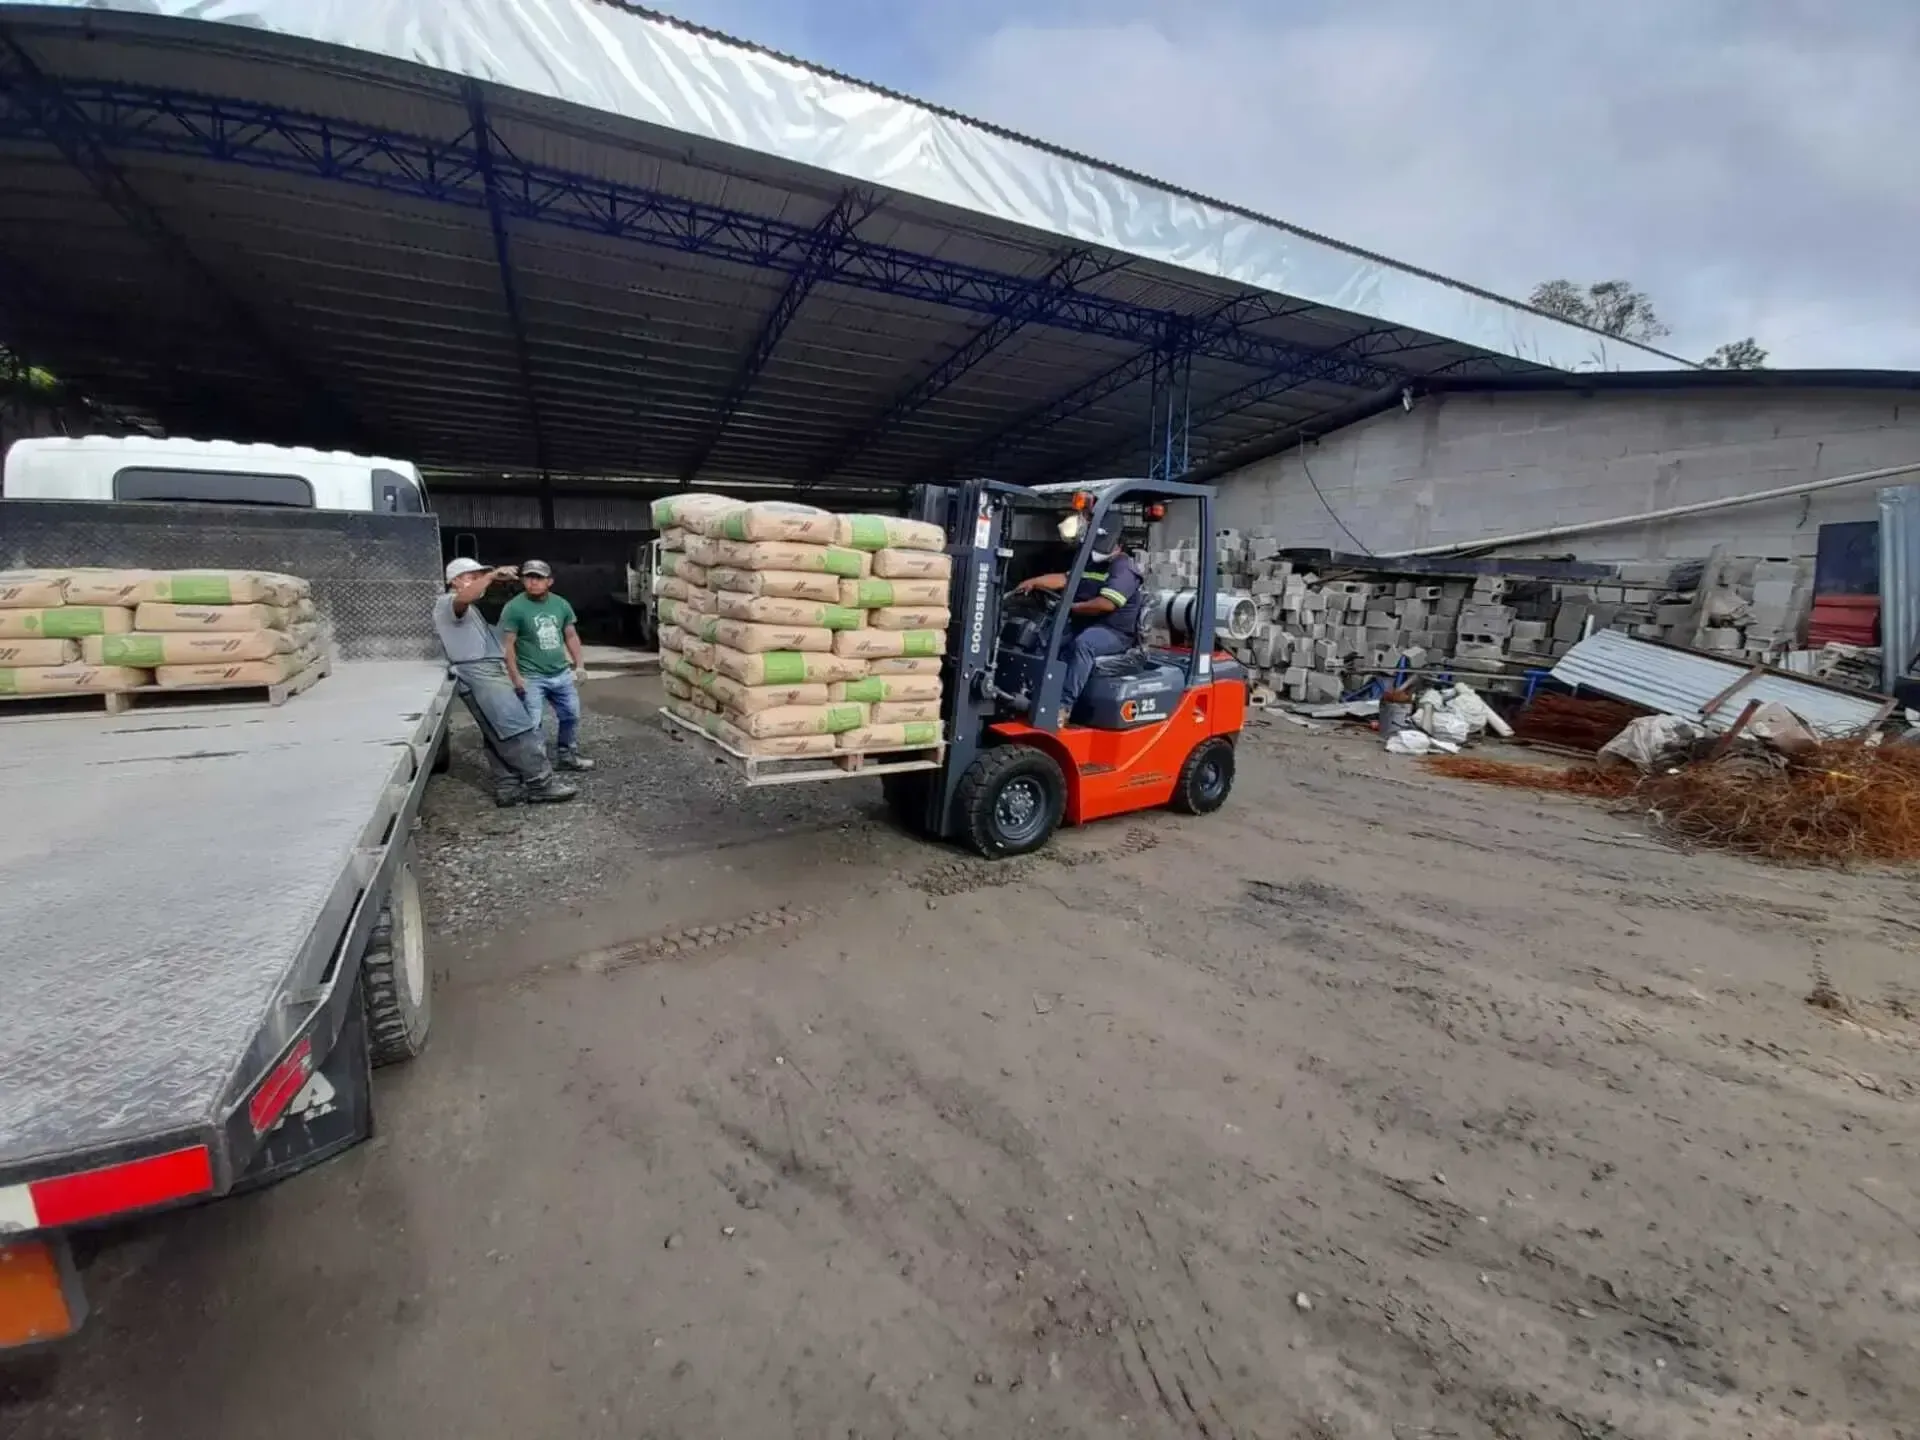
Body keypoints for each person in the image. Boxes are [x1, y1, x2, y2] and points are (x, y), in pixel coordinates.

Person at [434, 558, 578, 808]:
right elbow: (464, 598)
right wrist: (490, 576)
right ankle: (541, 783)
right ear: (455, 580)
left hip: (486, 671)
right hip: (480, 673)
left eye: (479, 575)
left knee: (496, 734)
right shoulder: (449, 602)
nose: (478, 579)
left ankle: (508, 787)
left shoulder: (469, 608)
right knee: (517, 730)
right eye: (472, 575)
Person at [1014, 517, 1145, 725]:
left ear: (1118, 546)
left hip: (1114, 632)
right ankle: (1031, 693)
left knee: (1084, 644)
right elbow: (1066, 579)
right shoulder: (1091, 562)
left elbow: (1106, 604)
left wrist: (1071, 608)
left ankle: (1063, 707)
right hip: (1085, 623)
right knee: (1044, 638)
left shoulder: (1123, 568)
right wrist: (1034, 582)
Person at [498, 559, 595, 772]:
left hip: (561, 674)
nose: (533, 582)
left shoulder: (560, 604)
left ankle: (567, 756)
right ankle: (537, 766)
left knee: (571, 715)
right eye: (529, 577)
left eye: (538, 578)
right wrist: (515, 678)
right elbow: (508, 646)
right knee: (533, 724)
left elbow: (570, 635)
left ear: (549, 581)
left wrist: (579, 665)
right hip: (531, 677)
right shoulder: (514, 608)